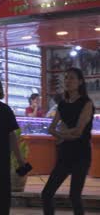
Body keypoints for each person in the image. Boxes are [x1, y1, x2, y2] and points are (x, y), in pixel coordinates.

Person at [42, 68, 95, 215]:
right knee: (46, 193)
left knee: (74, 196)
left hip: (81, 154)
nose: (68, 81)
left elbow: (79, 131)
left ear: (80, 82)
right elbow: (51, 128)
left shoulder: (86, 103)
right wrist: (66, 133)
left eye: (71, 78)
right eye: (66, 78)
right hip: (65, 154)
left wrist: (61, 134)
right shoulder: (62, 104)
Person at [0, 78, 28, 215]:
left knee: (3, 193)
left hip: (1, 156)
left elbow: (12, 136)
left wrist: (20, 159)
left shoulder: (5, 110)